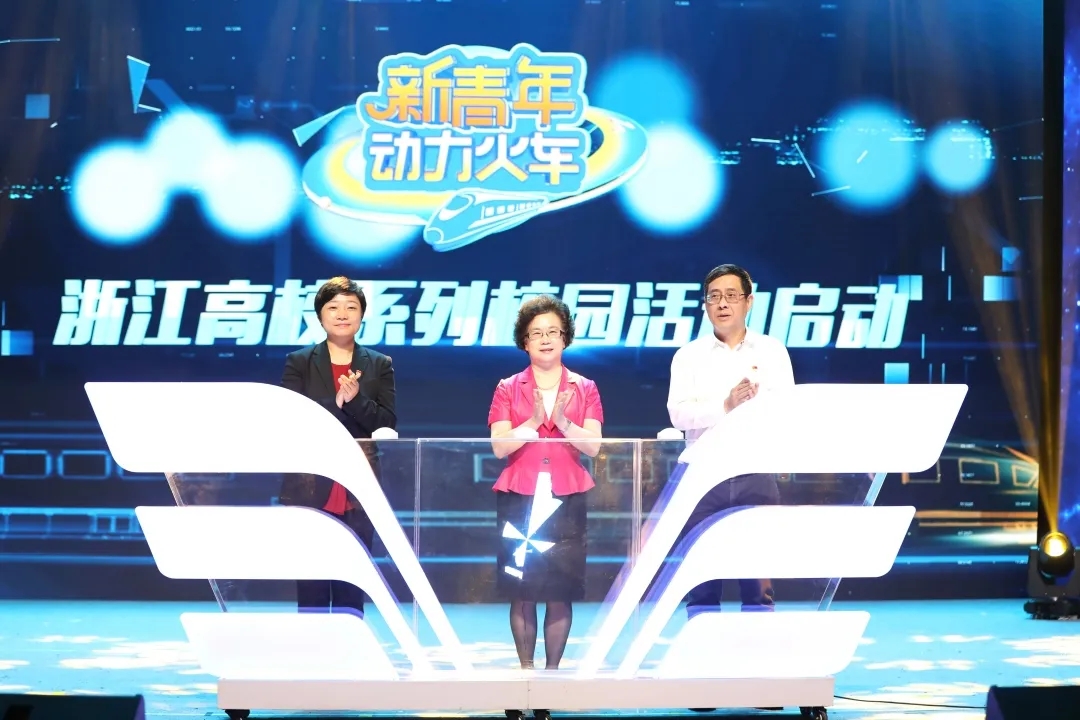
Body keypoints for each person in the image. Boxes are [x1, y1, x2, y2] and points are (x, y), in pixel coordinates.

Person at [487, 295, 603, 690]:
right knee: (522, 592)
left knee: (559, 591)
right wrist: (535, 421)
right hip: (519, 497)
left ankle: (551, 681)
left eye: (554, 331)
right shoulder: (507, 387)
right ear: (524, 342)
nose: (546, 339)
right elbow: (499, 446)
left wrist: (564, 422)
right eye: (536, 333)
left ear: (565, 338)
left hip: (566, 498)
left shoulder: (585, 387)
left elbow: (593, 446)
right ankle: (526, 676)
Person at [666, 264, 795, 614]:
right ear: (705, 304)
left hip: (754, 472)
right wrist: (725, 405)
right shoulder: (688, 356)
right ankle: (701, 646)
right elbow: (678, 414)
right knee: (701, 583)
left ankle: (756, 646)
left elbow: (786, 410)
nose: (722, 304)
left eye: (731, 295)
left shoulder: (771, 351)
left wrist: (755, 408)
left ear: (748, 302)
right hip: (702, 476)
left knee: (757, 582)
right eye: (714, 297)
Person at [279, 276, 397, 617]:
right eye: (333, 307)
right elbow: (291, 416)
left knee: (353, 580)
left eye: (351, 307)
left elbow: (386, 423)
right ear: (320, 315)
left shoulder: (379, 364)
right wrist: (337, 403)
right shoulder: (299, 361)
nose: (342, 314)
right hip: (310, 481)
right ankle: (312, 644)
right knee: (312, 578)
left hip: (358, 485)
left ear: (362, 315)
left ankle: (352, 642)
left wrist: (356, 400)